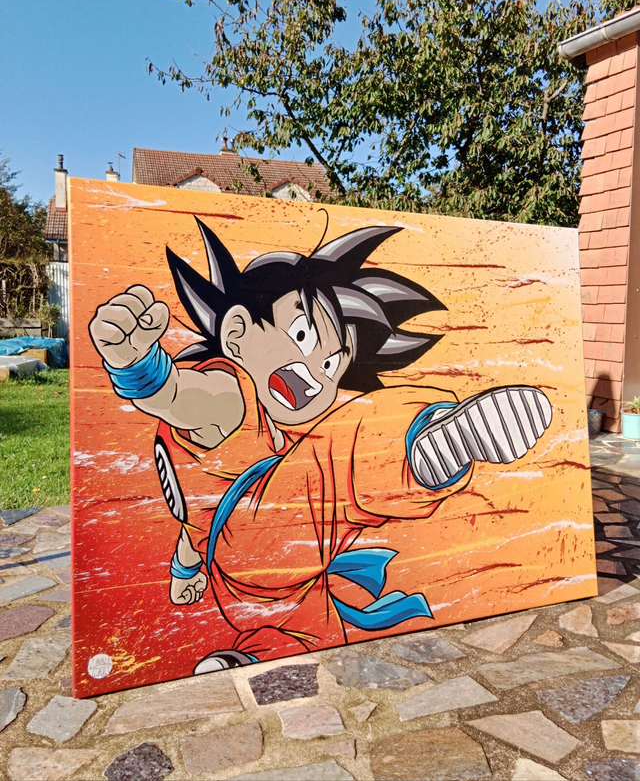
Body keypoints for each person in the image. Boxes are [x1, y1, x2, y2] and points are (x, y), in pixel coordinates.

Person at [89, 218, 552, 672]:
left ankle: (243, 657)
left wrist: (184, 573)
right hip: (250, 538)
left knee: (312, 628)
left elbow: (192, 530)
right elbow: (181, 397)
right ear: (237, 334)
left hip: (279, 584)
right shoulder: (235, 399)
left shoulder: (290, 432)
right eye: (302, 336)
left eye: (331, 365)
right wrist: (139, 368)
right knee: (336, 456)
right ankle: (417, 442)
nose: (317, 374)